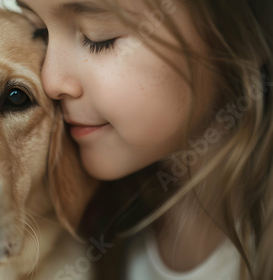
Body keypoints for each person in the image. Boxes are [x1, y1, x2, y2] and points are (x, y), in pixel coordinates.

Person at [15, 0, 273, 279]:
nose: (50, 81)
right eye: (40, 33)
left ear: (247, 38)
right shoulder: (95, 225)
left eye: (98, 38)